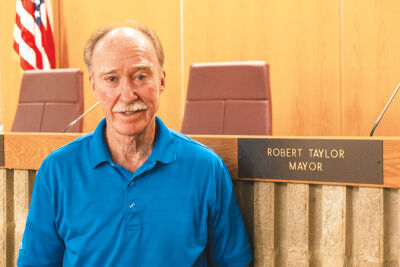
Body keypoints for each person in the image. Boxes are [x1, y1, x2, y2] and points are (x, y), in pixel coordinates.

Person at [17, 21, 252, 267]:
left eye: (140, 76)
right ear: (94, 86)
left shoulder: (207, 169)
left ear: (161, 81)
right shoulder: (57, 171)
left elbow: (233, 262)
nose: (128, 94)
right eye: (111, 79)